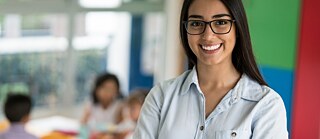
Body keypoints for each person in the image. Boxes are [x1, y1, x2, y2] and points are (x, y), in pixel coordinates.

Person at [133, 0, 288, 138]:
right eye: (196, 23)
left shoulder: (265, 105)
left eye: (220, 22)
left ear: (238, 28)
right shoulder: (161, 97)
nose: (208, 36)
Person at [80, 73, 123, 138]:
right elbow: (83, 125)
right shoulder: (90, 105)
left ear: (117, 91)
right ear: (96, 89)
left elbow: (120, 129)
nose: (107, 92)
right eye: (104, 88)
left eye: (111, 89)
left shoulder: (119, 106)